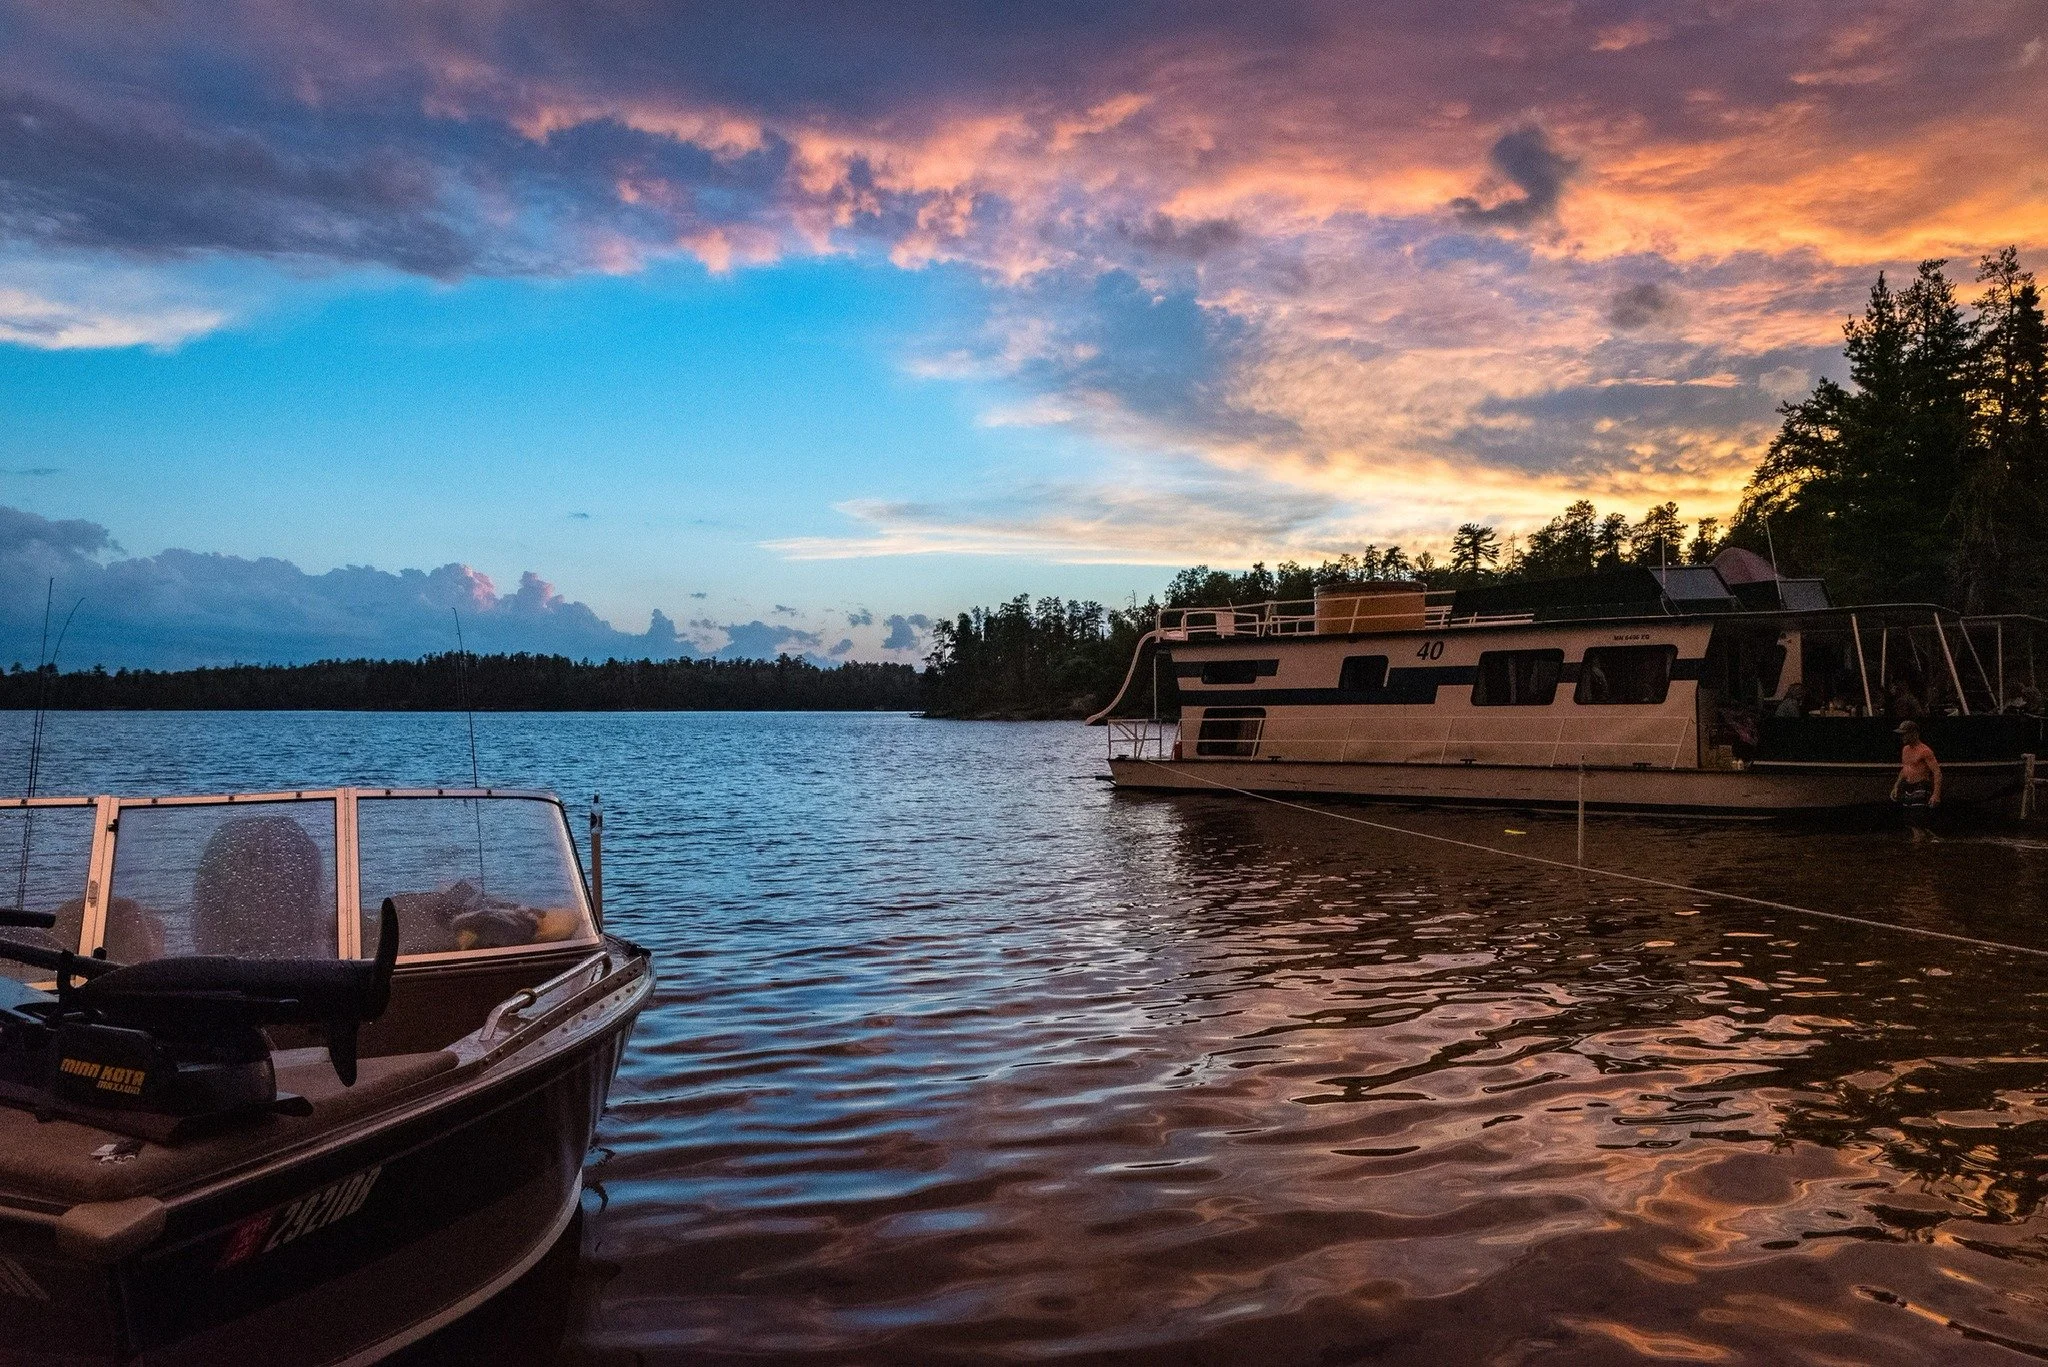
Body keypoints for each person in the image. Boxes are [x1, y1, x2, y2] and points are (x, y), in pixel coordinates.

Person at [1890, 719, 1942, 841]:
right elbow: (1905, 769)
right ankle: (1929, 840)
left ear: (1914, 734)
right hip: (1909, 786)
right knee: (1909, 821)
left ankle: (1918, 846)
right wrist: (1896, 786)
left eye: (1905, 734)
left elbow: (1937, 772)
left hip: (1921, 786)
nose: (1902, 737)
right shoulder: (1905, 749)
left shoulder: (1925, 751)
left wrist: (1936, 794)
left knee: (1917, 820)